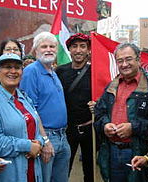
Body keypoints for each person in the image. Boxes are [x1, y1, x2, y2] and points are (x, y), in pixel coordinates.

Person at [94, 43, 148, 182]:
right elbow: (99, 114)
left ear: (139, 59)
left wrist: (133, 127)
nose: (124, 64)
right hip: (111, 151)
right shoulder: (111, 86)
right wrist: (105, 125)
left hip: (139, 152)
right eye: (120, 60)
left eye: (128, 59)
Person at [0, 53, 43, 182]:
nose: (13, 71)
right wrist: (28, 146)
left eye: (17, 67)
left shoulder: (23, 97)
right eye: (7, 67)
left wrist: (40, 143)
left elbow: (36, 129)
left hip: (32, 169)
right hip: (10, 173)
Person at [20, 32, 71, 182]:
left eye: (52, 46)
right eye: (44, 46)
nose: (49, 49)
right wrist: (45, 140)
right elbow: (30, 110)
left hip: (62, 136)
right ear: (36, 50)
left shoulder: (53, 72)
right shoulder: (31, 72)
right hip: (47, 137)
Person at [55, 33, 93, 182]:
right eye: (74, 46)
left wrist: (97, 105)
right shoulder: (60, 71)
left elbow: (105, 96)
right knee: (64, 168)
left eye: (83, 46)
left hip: (90, 129)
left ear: (88, 50)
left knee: (90, 171)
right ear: (69, 49)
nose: (78, 50)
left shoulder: (95, 72)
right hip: (68, 129)